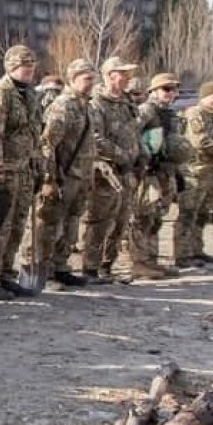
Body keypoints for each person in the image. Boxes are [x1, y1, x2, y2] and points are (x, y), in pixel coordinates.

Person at [0, 45, 42, 300]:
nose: (30, 70)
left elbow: (34, 133)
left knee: (16, 226)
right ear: (12, 66)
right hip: (4, 172)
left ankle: (5, 274)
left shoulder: (29, 96)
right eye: (25, 65)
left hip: (24, 171)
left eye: (32, 65)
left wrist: (38, 163)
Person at [81, 57, 141, 283]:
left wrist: (139, 155)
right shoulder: (97, 103)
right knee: (99, 220)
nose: (127, 78)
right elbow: (95, 138)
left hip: (126, 171)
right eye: (122, 74)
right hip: (105, 171)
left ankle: (107, 266)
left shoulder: (126, 103)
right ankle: (90, 268)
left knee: (121, 219)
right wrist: (121, 155)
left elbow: (134, 132)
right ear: (109, 75)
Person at [37, 59, 96, 287]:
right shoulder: (64, 105)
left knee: (71, 224)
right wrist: (49, 179)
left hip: (81, 176)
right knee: (51, 225)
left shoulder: (84, 105)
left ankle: (61, 266)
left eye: (92, 78)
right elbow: (47, 144)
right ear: (73, 78)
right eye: (86, 78)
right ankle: (46, 271)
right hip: (65, 175)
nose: (91, 83)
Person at [129, 73, 184, 279]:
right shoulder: (146, 110)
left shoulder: (168, 114)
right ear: (153, 91)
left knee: (157, 217)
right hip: (147, 172)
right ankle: (139, 261)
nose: (171, 94)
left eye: (174, 90)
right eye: (166, 89)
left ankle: (151, 260)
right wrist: (143, 158)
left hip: (164, 171)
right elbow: (131, 133)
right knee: (143, 216)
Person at [174, 82, 213, 269]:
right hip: (194, 173)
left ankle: (197, 250)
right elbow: (201, 141)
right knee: (188, 213)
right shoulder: (195, 114)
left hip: (211, 173)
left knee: (202, 214)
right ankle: (182, 254)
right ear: (204, 97)